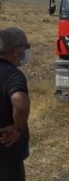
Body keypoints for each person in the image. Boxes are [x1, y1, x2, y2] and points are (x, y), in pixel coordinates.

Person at [0, 27, 31, 181]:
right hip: (6, 157)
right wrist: (18, 128)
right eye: (26, 46)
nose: (26, 51)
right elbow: (21, 104)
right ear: (15, 50)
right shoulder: (13, 75)